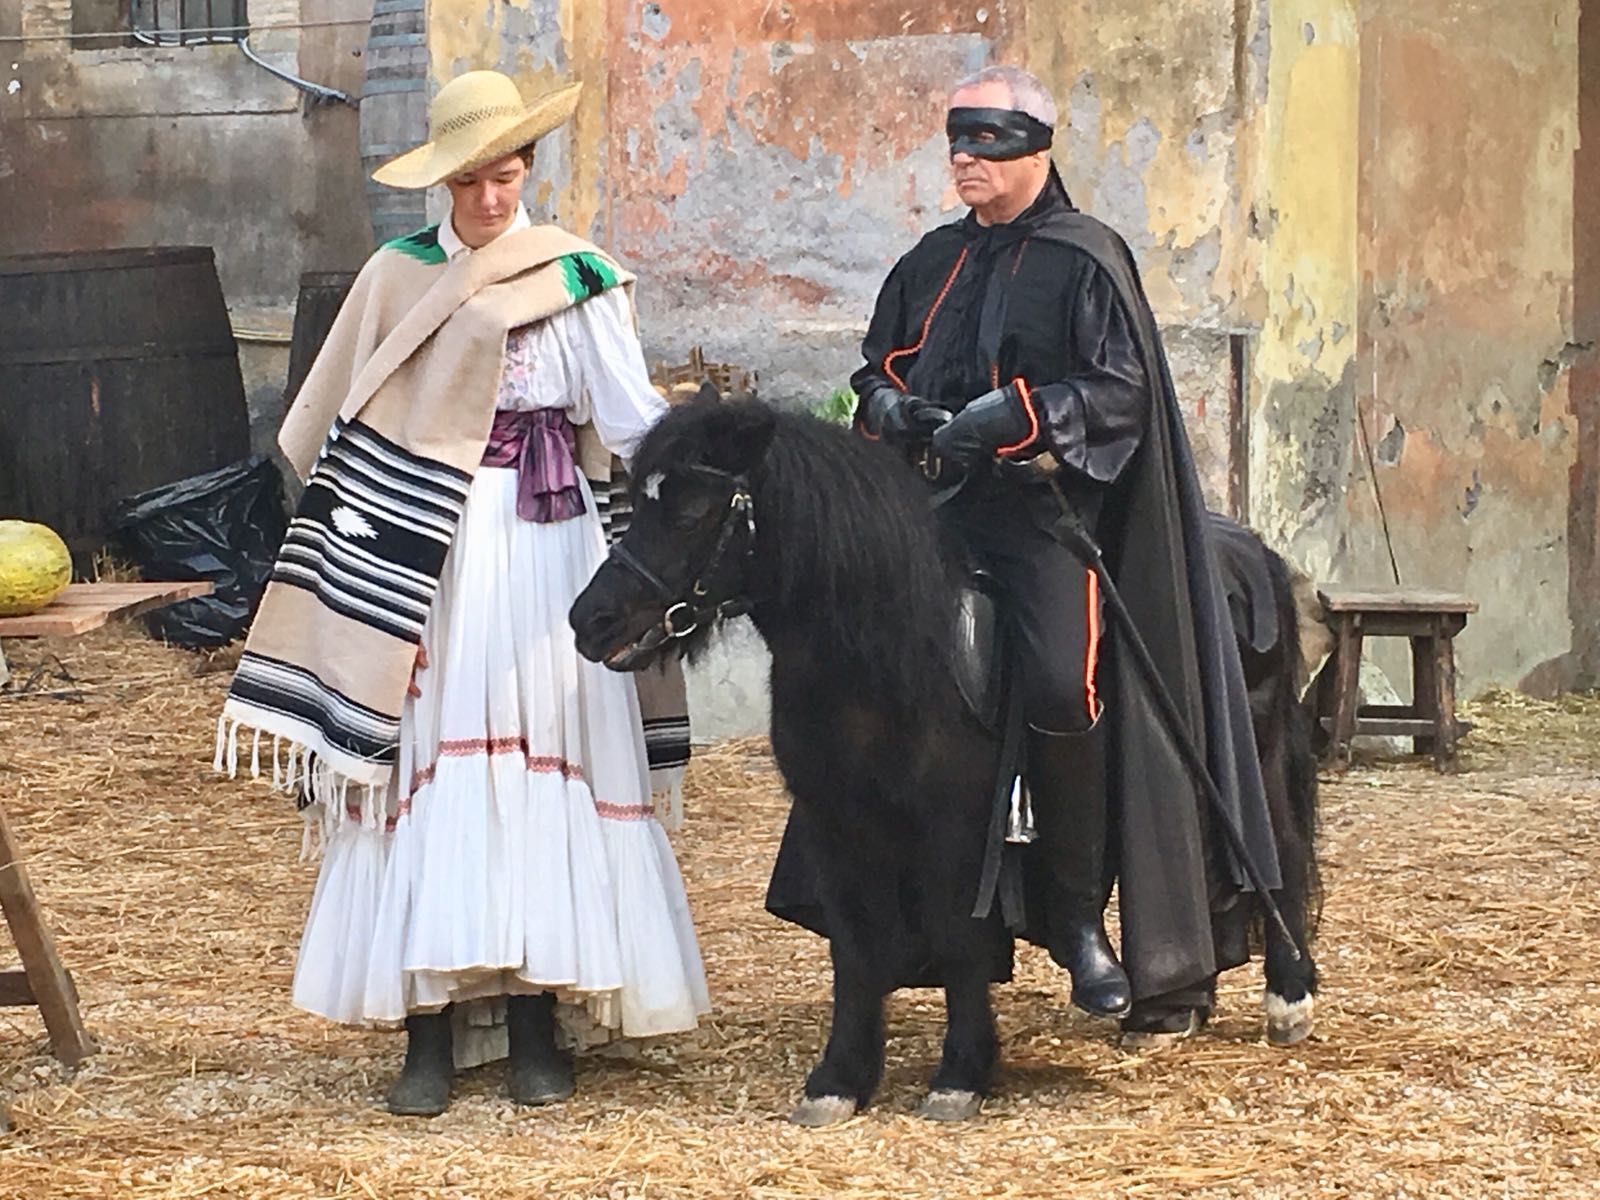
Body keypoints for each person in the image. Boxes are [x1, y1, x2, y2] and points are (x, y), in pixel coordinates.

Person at [217, 70, 708, 1114]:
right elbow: (340, 428)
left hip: (551, 547)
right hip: (428, 552)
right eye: (475, 178)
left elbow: (629, 424)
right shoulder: (396, 279)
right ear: (446, 181)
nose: (494, 196)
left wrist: (714, 473)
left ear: (530, 170)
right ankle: (427, 1033)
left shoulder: (580, 277)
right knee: (428, 760)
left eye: (510, 172)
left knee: (547, 759)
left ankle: (537, 1022)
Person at [843, 64, 1282, 1041]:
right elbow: (872, 372)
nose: (963, 157)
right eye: (955, 139)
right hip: (941, 514)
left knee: (1055, 683)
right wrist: (894, 409)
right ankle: (909, 923)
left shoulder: (1087, 258)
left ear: (1036, 149)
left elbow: (1119, 392)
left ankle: (1078, 924)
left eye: (986, 140)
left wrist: (1018, 417)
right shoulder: (928, 261)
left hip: (1048, 514)